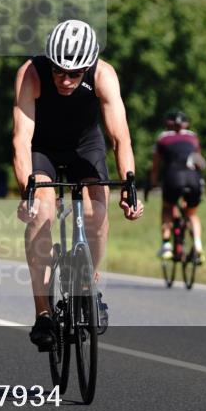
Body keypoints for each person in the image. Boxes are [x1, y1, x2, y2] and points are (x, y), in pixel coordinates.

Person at [12, 19, 144, 352]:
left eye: (75, 74)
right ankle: (43, 313)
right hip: (42, 146)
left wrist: (129, 186)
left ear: (88, 67)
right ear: (50, 63)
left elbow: (120, 137)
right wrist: (27, 192)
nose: (67, 80)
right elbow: (21, 140)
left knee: (96, 212)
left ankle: (90, 282)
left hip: (86, 146)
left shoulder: (103, 75)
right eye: (59, 72)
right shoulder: (31, 73)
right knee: (41, 212)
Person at [150, 111, 206, 262]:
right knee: (192, 214)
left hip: (173, 177)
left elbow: (156, 166)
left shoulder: (163, 138)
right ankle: (198, 245)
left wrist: (152, 183)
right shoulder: (193, 136)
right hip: (194, 178)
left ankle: (166, 245)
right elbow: (199, 159)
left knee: (167, 208)